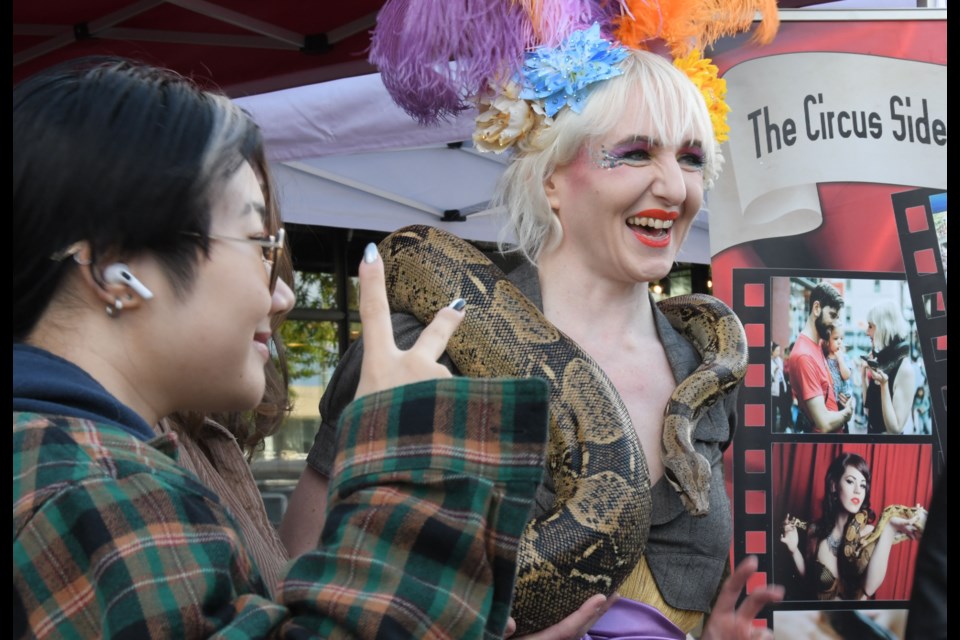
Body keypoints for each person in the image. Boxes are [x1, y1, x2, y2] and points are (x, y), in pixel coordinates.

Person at [13, 56, 555, 638]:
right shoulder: (91, 493)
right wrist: (406, 452)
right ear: (115, 267)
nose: (283, 293)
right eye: (260, 243)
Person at [284, 14, 784, 639]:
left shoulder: (704, 370)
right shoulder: (425, 341)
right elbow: (307, 570)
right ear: (551, 179)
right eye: (634, 153)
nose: (673, 186)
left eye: (690, 158)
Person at [779, 453, 924, 601]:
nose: (858, 490)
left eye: (862, 485)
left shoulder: (869, 534)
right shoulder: (815, 530)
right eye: (850, 481)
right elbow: (810, 584)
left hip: (853, 622)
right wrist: (793, 550)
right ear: (834, 485)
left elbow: (869, 588)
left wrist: (890, 528)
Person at [787, 282, 855, 433]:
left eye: (837, 317)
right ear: (817, 308)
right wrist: (847, 413)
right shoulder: (804, 355)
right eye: (832, 315)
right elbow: (823, 423)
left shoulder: (817, 345)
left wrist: (842, 401)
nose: (835, 323)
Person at [862, 300, 916, 434]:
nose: (866, 332)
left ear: (882, 327)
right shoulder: (883, 361)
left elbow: (895, 430)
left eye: (870, 326)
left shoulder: (905, 370)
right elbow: (868, 411)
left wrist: (884, 385)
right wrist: (863, 376)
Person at [822, 324, 853, 415]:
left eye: (841, 339)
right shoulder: (824, 358)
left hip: (842, 398)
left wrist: (840, 360)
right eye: (836, 339)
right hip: (830, 398)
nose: (839, 342)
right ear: (827, 341)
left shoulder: (844, 357)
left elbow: (847, 376)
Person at [771, 341, 791, 432]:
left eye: (779, 350)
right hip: (774, 389)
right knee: (773, 411)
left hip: (781, 386)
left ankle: (783, 427)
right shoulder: (769, 361)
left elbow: (783, 373)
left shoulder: (779, 360)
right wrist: (774, 371)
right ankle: (773, 429)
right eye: (777, 350)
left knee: (784, 408)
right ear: (772, 351)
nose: (779, 352)